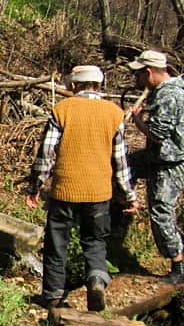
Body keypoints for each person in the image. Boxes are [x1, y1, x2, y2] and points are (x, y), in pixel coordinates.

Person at [25, 65, 138, 311]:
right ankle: (96, 279)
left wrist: (35, 185)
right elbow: (120, 161)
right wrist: (128, 195)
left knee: (57, 242)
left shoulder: (61, 110)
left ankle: (53, 295)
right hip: (99, 194)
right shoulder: (114, 114)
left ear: (74, 85)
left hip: (65, 189)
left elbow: (47, 154)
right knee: (95, 240)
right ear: (98, 85)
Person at [129, 50, 184, 284]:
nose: (137, 81)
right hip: (158, 158)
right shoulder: (162, 92)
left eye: (139, 76)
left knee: (161, 211)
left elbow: (159, 134)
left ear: (149, 72)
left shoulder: (170, 95)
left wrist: (137, 120)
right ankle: (125, 203)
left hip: (170, 162)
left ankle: (178, 265)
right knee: (126, 165)